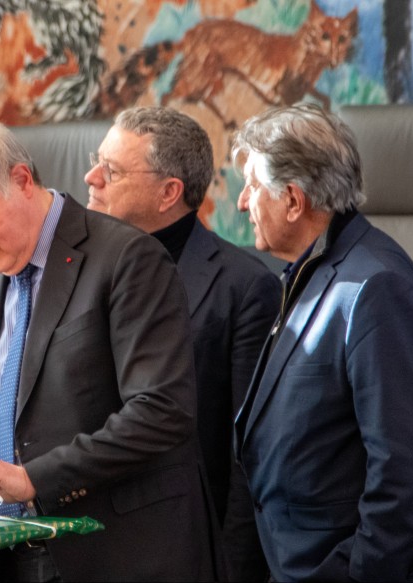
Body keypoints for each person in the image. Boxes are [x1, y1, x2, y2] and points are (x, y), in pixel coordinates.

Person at [0, 120, 222, 582]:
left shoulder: (128, 257)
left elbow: (161, 410)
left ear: (21, 180)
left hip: (120, 555)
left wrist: (35, 479)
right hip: (14, 557)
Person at [231, 102, 413, 582]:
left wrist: (358, 573)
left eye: (251, 186)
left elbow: (402, 471)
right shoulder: (311, 271)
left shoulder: (375, 287)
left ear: (294, 201)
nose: (242, 202)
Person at [85, 105, 279, 581]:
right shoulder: (75, 272)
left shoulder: (244, 287)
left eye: (111, 170)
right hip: (88, 542)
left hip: (187, 547)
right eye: (95, 161)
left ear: (169, 192)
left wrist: (233, 567)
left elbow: (247, 453)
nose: (91, 177)